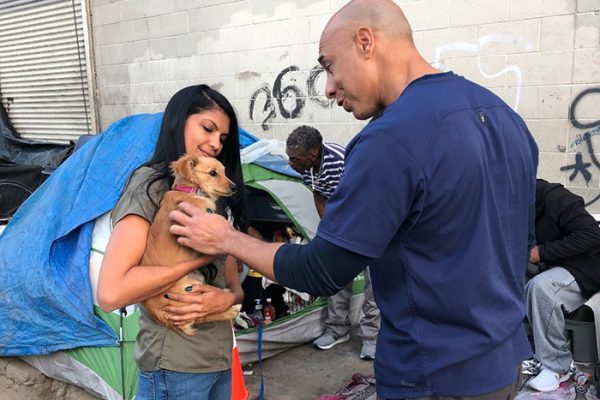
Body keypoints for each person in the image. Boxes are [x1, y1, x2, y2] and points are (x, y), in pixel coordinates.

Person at [168, 1, 538, 399]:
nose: (328, 87)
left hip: (433, 374)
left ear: (365, 41)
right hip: (503, 366)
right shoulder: (506, 119)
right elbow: (521, 247)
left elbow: (320, 272)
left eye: (329, 65)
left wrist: (225, 238)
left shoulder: (390, 139)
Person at [96, 84, 249, 400]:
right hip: (175, 365)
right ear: (178, 123)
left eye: (222, 138)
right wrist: (198, 259)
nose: (215, 143)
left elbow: (232, 283)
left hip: (219, 357)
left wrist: (230, 298)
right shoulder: (151, 189)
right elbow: (112, 292)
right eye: (207, 128)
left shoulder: (211, 194)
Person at [286, 125, 380, 359]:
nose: (291, 164)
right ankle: (338, 330)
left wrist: (350, 231)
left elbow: (362, 196)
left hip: (368, 218)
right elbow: (319, 193)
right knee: (336, 275)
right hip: (342, 223)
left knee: (373, 282)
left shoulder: (341, 161)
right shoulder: (305, 166)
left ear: (314, 153)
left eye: (295, 159)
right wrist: (328, 227)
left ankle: (372, 337)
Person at [524, 179, 600, 392]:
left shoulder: (555, 197)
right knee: (510, 281)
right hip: (552, 266)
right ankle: (529, 353)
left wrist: (542, 252)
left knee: (541, 288)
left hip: (584, 268)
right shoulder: (511, 205)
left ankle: (557, 366)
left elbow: (591, 235)